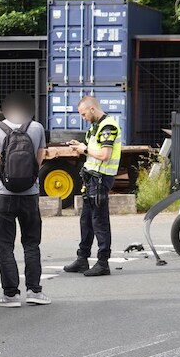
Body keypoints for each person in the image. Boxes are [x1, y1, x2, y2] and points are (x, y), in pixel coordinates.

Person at [0, 92, 50, 308]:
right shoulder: (37, 128)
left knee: (5, 246)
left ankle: (10, 295)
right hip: (30, 195)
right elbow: (39, 158)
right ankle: (34, 291)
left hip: (4, 195)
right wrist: (31, 178)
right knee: (31, 244)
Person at [64, 95, 121, 277]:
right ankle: (82, 259)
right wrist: (80, 146)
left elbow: (104, 154)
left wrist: (85, 149)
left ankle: (103, 262)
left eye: (83, 114)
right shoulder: (94, 128)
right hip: (91, 179)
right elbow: (91, 150)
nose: (83, 118)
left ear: (92, 109)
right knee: (86, 220)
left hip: (101, 179)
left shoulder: (108, 126)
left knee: (99, 221)